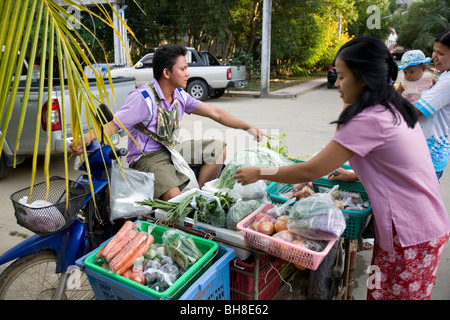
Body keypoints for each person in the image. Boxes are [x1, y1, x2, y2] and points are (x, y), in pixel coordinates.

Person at [235, 36, 450, 300]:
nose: (336, 84)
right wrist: (352, 174)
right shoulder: (390, 103)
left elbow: (308, 171)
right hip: (414, 226)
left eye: (342, 77)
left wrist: (259, 172)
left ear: (363, 78)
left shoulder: (369, 119)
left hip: (411, 233)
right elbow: (388, 161)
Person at [70, 45, 263, 201]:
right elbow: (113, 125)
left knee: (217, 148)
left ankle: (201, 197)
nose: (188, 73)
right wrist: (86, 138)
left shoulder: (180, 95)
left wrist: (248, 127)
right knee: (174, 198)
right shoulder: (143, 99)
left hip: (171, 150)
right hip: (146, 158)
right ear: (167, 72)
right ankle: (184, 203)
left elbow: (215, 113)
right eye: (183, 69)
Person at [414, 29, 450, 180]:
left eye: (441, 53)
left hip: (429, 157)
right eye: (434, 51)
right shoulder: (445, 76)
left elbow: (416, 111)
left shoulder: (448, 81)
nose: (434, 57)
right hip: (432, 156)